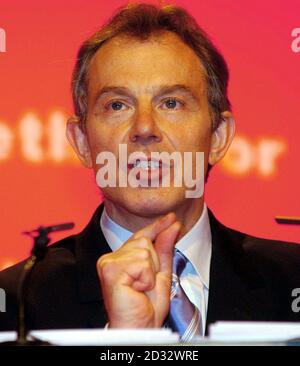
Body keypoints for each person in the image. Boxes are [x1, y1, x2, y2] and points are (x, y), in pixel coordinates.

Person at [0, 3, 299, 340]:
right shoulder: (16, 303)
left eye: (171, 103)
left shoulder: (293, 283)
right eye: (117, 105)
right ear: (82, 141)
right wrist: (124, 340)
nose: (144, 128)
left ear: (218, 137)